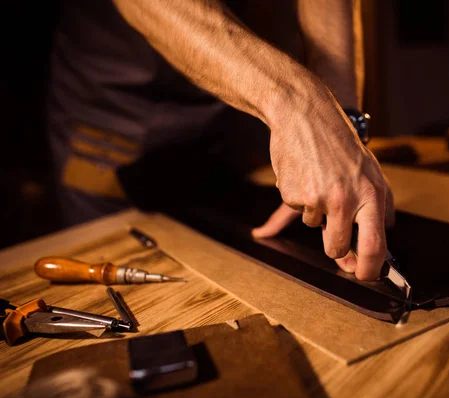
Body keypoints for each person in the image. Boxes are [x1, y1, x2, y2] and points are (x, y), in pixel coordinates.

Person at [45, 0, 394, 281]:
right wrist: (297, 103)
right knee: (113, 260)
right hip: (117, 102)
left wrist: (342, 118)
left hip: (245, 91)